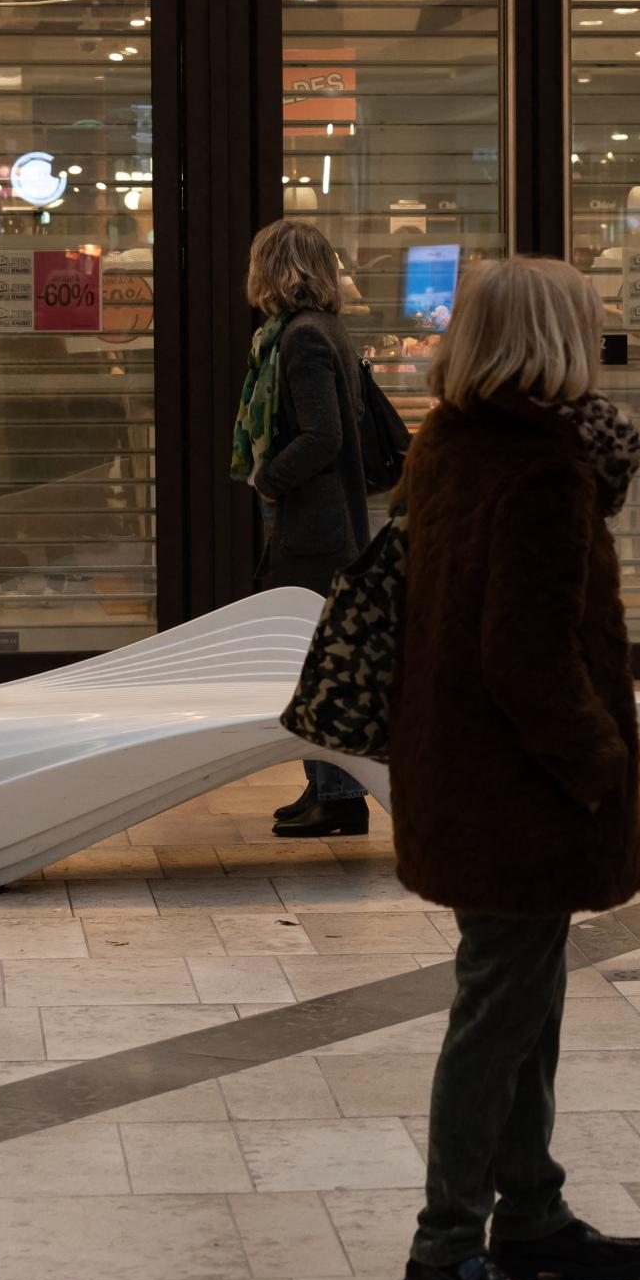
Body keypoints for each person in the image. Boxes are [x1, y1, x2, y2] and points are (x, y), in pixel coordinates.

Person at [385, 257, 640, 1280]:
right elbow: (527, 654)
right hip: (519, 783)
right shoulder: (543, 467)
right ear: (558, 338)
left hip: (462, 768)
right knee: (500, 1009)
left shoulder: (451, 441)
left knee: (523, 995)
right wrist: (598, 762)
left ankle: (531, 1207)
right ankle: (446, 1244)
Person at [235, 219, 374, 837]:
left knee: (314, 660)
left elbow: (324, 436)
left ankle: (341, 797)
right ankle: (324, 785)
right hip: (321, 517)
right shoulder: (310, 332)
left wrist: (269, 478)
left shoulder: (303, 339)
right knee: (311, 656)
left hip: (316, 521)